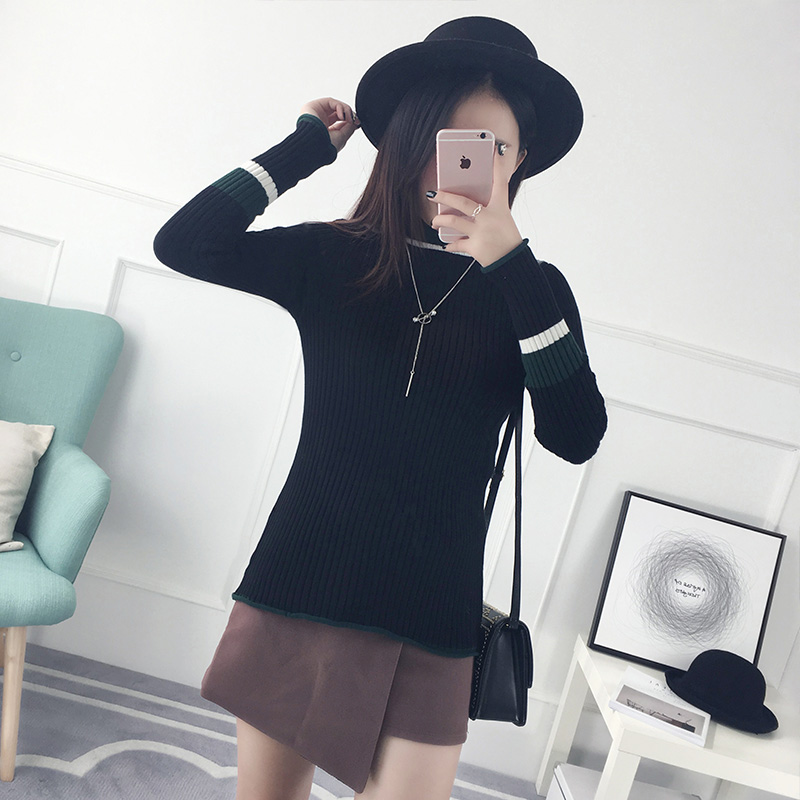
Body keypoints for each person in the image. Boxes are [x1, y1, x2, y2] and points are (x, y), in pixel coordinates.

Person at [154, 15, 607, 800]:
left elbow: (576, 436)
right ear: (406, 142)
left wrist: (513, 266)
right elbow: (186, 243)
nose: (470, 163)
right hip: (302, 584)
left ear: (520, 161)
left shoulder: (534, 291)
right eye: (451, 141)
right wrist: (304, 148)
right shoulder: (335, 257)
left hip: (433, 614)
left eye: (495, 148)